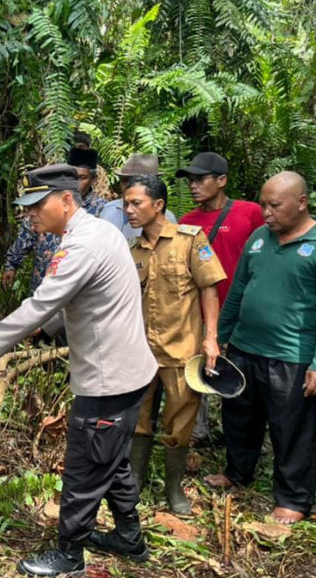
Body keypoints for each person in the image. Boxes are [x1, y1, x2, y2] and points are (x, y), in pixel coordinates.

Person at [0, 165, 157, 576]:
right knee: (111, 459)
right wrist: (45, 330)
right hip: (127, 372)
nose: (31, 216)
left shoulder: (81, 245)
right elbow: (77, 300)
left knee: (85, 465)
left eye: (37, 206)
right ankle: (129, 537)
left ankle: (69, 555)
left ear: (65, 200)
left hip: (108, 379)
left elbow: (41, 303)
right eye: (26, 209)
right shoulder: (97, 232)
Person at [206, 171, 316, 525]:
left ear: (301, 203)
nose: (266, 212)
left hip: (291, 356)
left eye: (275, 205)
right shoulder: (258, 238)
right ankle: (238, 473)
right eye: (263, 203)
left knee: (291, 430)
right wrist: (220, 336)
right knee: (239, 417)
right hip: (243, 348)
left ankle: (294, 499)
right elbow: (238, 290)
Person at [123, 174, 225, 514]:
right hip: (140, 352)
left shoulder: (190, 240)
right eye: (126, 203)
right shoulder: (133, 249)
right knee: (139, 417)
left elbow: (209, 287)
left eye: (136, 203)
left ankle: (173, 489)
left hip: (181, 350)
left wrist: (211, 338)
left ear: (159, 205)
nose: (129, 210)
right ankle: (134, 482)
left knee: (180, 421)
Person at [175, 152, 263, 445]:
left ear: (222, 180)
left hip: (242, 314)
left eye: (200, 179)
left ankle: (244, 439)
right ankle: (198, 433)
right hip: (200, 313)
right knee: (199, 369)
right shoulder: (187, 222)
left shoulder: (249, 213)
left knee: (240, 374)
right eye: (190, 180)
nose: (193, 186)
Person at [1, 148, 107, 292]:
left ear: (93, 179)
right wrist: (11, 264)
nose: (76, 183)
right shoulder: (45, 204)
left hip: (76, 289)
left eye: (82, 178)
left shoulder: (102, 209)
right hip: (43, 284)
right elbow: (26, 234)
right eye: (73, 177)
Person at [99, 154, 177, 239]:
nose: (128, 186)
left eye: (135, 181)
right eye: (124, 181)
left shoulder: (167, 217)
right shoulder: (109, 210)